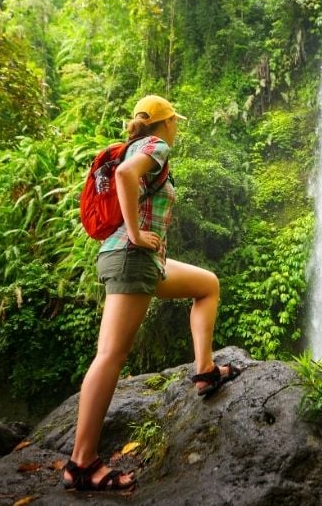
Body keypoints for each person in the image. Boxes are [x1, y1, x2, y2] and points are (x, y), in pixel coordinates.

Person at [61, 95, 241, 491]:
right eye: (174, 120)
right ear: (164, 123)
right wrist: (140, 234)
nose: (177, 127)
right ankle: (81, 463)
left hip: (136, 259)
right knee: (109, 356)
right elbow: (125, 175)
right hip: (131, 257)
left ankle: (204, 371)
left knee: (207, 285)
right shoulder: (155, 147)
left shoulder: (135, 145)